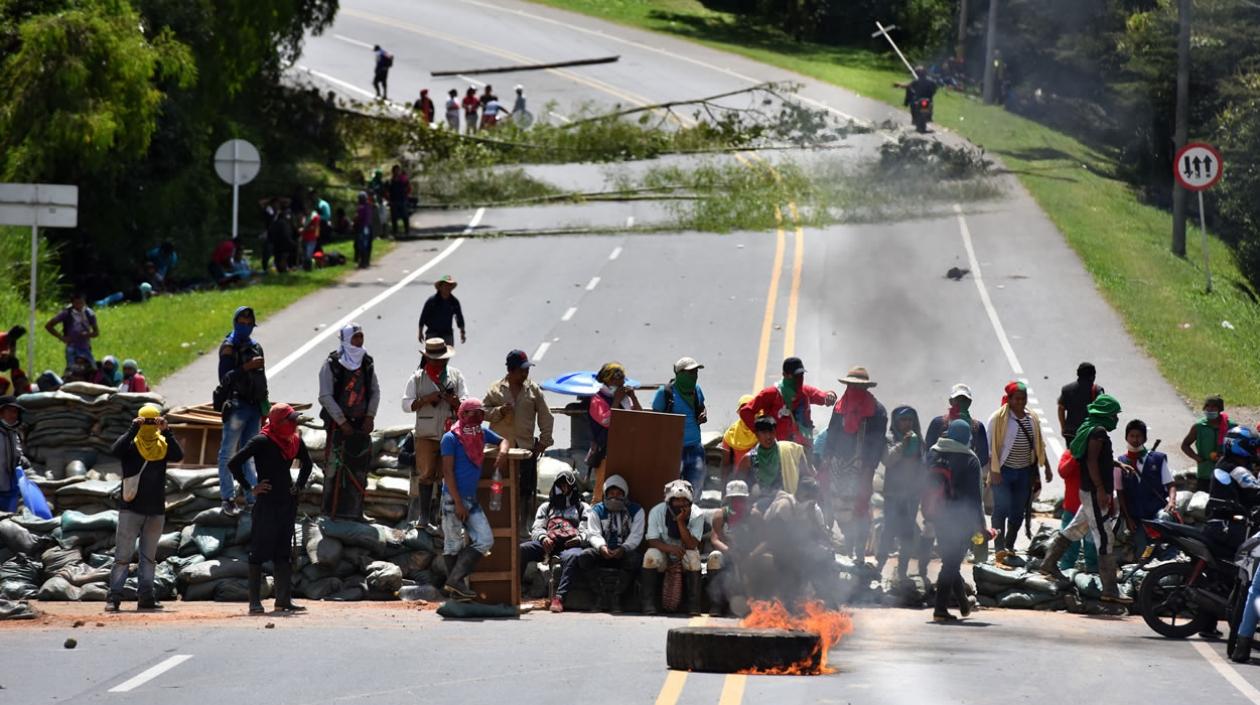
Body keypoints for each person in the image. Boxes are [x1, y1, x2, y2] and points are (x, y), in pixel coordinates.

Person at [1040, 395, 1132, 604]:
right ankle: (1110, 589)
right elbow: (1091, 461)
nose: (1116, 419)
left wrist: (1117, 464)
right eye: (1114, 415)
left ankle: (1049, 563)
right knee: (1104, 537)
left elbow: (1100, 459)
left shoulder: (1091, 428)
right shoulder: (1097, 432)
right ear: (1105, 414)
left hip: (1088, 491)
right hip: (1093, 491)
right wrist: (1101, 489)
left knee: (1076, 529)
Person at [229, 404, 313, 614]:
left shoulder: (294, 441)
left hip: (287, 501)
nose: (294, 424)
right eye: (290, 420)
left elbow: (308, 464)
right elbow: (234, 463)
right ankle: (254, 603)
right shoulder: (262, 440)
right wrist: (250, 487)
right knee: (259, 551)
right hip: (266, 503)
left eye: (295, 420)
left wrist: (299, 485)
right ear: (278, 422)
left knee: (283, 552)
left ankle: (283, 600)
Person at [106, 404, 183, 612]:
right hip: (131, 509)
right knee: (123, 556)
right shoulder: (131, 446)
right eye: (146, 421)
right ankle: (114, 596)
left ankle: (146, 596)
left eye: (153, 421)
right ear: (138, 422)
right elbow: (115, 450)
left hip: (156, 510)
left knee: (148, 557)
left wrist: (167, 431)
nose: (150, 426)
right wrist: (132, 430)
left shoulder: (162, 446)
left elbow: (178, 455)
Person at [441, 399, 510, 601]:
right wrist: (458, 503)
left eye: (480, 414)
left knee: (485, 539)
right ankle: (456, 591)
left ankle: (454, 581)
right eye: (472, 414)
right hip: (453, 500)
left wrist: (503, 451)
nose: (477, 418)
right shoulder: (450, 438)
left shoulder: (480, 434)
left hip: (470, 499)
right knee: (452, 544)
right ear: (462, 415)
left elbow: (503, 440)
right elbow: (447, 472)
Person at [923, 420, 988, 622]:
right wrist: (980, 526)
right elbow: (975, 497)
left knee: (950, 561)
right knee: (951, 563)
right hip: (960, 518)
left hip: (937, 514)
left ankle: (963, 603)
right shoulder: (970, 459)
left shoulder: (934, 452)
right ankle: (940, 610)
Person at [483, 349, 555, 531]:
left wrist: (544, 440)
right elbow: (482, 412)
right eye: (522, 370)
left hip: (525, 449)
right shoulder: (495, 390)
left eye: (527, 370)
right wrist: (499, 411)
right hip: (500, 451)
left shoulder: (533, 390)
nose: (526, 374)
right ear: (511, 370)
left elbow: (546, 416)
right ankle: (499, 523)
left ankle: (523, 526)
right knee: (498, 487)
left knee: (525, 489)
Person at [821, 366, 888, 562]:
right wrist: (826, 461)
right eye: (851, 386)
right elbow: (831, 434)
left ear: (866, 389)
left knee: (859, 508)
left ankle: (858, 552)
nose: (853, 390)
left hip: (861, 467)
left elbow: (876, 444)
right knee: (837, 507)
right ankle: (846, 546)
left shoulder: (877, 412)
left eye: (858, 387)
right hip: (838, 465)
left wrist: (869, 471)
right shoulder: (840, 407)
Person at [401, 338, 467, 532]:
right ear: (428, 359)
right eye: (436, 359)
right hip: (426, 434)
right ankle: (424, 517)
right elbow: (406, 405)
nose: (440, 363)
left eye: (442, 359)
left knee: (446, 475)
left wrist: (454, 401)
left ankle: (441, 518)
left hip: (449, 433)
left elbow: (465, 401)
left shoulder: (455, 376)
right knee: (427, 474)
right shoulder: (417, 378)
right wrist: (427, 399)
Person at [318, 324, 380, 520]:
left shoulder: (367, 361)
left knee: (359, 467)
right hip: (338, 426)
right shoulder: (332, 364)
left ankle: (355, 512)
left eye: (361, 337)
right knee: (334, 468)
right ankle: (330, 510)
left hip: (360, 424)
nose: (359, 341)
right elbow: (325, 396)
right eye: (355, 337)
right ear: (345, 339)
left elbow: (375, 391)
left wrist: (370, 416)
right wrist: (342, 421)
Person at [986, 381, 1053, 565]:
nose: (1021, 402)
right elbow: (990, 447)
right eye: (1017, 399)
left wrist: (1046, 466)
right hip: (1004, 472)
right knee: (1001, 509)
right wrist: (995, 471)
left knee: (1018, 512)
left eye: (1024, 398)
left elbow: (1039, 444)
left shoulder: (1032, 418)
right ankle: (999, 547)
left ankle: (1009, 545)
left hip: (1024, 473)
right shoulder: (998, 419)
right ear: (1009, 399)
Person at [216, 306, 267, 517]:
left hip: (255, 406)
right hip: (237, 406)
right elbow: (224, 378)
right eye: (242, 323)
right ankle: (227, 498)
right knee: (228, 453)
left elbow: (262, 379)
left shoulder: (256, 347)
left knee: (249, 454)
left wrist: (265, 406)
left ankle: (251, 497)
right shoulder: (229, 347)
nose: (245, 326)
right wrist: (245, 367)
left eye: (249, 323)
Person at [520, 469, 591, 613]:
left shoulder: (583, 508)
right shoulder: (546, 507)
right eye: (561, 485)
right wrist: (543, 538)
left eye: (567, 486)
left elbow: (588, 531)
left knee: (573, 556)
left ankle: (559, 598)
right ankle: (516, 592)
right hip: (548, 545)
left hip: (570, 545)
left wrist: (578, 540)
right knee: (522, 549)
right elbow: (536, 529)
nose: (564, 489)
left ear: (573, 487)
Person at [579, 474, 645, 613]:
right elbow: (593, 533)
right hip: (603, 551)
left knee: (636, 559)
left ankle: (617, 597)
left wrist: (624, 548)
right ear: (605, 494)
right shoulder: (597, 510)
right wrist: (602, 547)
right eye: (611, 493)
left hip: (623, 552)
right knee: (585, 557)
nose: (614, 497)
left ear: (625, 494)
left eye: (618, 494)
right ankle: (600, 594)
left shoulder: (636, 510)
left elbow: (636, 535)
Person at [739, 357, 837, 449]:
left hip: (803, 448)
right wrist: (761, 433)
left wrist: (829, 395)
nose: (799, 379)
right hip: (778, 449)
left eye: (801, 375)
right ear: (785, 375)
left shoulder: (805, 392)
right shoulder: (771, 394)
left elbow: (821, 395)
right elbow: (746, 412)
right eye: (795, 376)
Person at [642, 479, 706, 616]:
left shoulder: (697, 514)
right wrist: (670, 549)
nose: (680, 504)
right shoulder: (657, 511)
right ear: (669, 502)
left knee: (694, 557)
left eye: (684, 501)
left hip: (685, 553)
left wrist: (681, 522)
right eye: (676, 500)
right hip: (665, 552)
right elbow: (652, 540)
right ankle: (649, 603)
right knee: (651, 556)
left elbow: (692, 544)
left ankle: (693, 605)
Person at [878, 406, 925, 579]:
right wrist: (901, 446)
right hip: (893, 494)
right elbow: (887, 461)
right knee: (888, 530)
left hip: (911, 495)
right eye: (903, 420)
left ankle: (902, 571)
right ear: (896, 422)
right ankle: (879, 567)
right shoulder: (889, 439)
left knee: (907, 533)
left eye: (910, 420)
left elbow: (923, 465)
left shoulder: (918, 440)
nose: (906, 423)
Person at [1118, 419, 1175, 557]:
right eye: (1132, 436)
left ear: (1145, 438)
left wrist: (1172, 501)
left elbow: (1170, 484)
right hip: (1136, 516)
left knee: (1164, 534)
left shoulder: (1158, 459)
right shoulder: (1120, 462)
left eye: (1138, 436)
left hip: (1156, 512)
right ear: (1126, 437)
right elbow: (1120, 493)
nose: (1135, 439)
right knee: (1143, 554)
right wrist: (1128, 518)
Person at [652, 357, 708, 493]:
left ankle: (692, 513)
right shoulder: (664, 393)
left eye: (696, 373)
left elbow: (701, 407)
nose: (694, 376)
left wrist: (703, 414)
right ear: (679, 374)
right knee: (672, 492)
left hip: (695, 448)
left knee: (694, 490)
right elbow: (654, 420)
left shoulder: (697, 390)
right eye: (690, 373)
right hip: (673, 451)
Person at [735, 416, 811, 503]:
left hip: (787, 500)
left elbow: (806, 477)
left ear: (775, 432)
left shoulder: (788, 451)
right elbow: (738, 486)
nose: (768, 437)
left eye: (771, 432)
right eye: (764, 432)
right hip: (758, 505)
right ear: (757, 435)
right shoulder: (748, 459)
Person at [706, 479, 752, 615]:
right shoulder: (721, 515)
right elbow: (715, 539)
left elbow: (763, 539)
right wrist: (728, 551)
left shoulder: (753, 515)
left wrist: (751, 554)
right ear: (728, 499)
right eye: (734, 499)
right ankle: (716, 604)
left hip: (748, 555)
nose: (738, 503)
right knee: (715, 559)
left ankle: (753, 604)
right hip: (727, 553)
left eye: (741, 499)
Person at [587, 362, 642, 471]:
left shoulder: (624, 398)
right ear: (607, 381)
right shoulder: (597, 399)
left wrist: (633, 398)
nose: (620, 383)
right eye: (616, 380)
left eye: (622, 380)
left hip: (626, 447)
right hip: (605, 451)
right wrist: (616, 400)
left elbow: (640, 416)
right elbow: (606, 421)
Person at [1055, 450, 1098, 575]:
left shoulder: (1098, 454)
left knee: (1092, 547)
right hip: (1072, 509)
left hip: (1092, 508)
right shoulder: (1070, 454)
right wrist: (1075, 457)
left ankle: (1092, 575)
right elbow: (1063, 472)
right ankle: (1065, 573)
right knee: (1069, 546)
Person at [1181, 395, 1236, 491]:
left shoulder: (1231, 426)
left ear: (1220, 409)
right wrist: (1197, 458)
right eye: (1207, 406)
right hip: (1205, 473)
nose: (1210, 409)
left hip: (1225, 473)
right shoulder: (1199, 426)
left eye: (1214, 407)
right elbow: (1185, 445)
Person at [45, 293, 99, 369]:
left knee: (92, 369)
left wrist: (86, 334)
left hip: (85, 346)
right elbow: (48, 326)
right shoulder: (66, 313)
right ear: (72, 303)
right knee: (72, 370)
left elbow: (96, 333)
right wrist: (61, 337)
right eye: (77, 303)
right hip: (71, 347)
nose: (79, 306)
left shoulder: (89, 313)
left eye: (81, 303)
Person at [1057, 362, 1103, 443]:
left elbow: (1061, 409)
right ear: (1093, 376)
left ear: (1078, 374)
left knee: (1072, 455)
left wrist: (1063, 427)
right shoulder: (1097, 391)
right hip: (1090, 433)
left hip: (1071, 433)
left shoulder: (1066, 389)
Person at [0, 397, 30, 513]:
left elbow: (17, 453)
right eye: (10, 411)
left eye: (16, 412)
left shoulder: (14, 433)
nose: (14, 415)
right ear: (1, 413)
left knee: (8, 523)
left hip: (10, 488)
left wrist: (22, 459)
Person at [719, 395, 758, 485]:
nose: (746, 413)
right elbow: (725, 464)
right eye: (743, 410)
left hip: (757, 479)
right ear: (739, 412)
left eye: (749, 409)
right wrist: (724, 489)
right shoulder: (731, 434)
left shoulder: (761, 432)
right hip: (737, 480)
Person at [418, 275, 466, 346]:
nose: (448, 288)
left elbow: (459, 317)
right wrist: (420, 332)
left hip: (447, 333)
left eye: (450, 285)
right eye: (445, 285)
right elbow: (423, 316)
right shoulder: (432, 301)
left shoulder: (454, 302)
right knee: (432, 354)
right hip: (432, 333)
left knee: (447, 354)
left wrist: (462, 332)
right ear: (440, 287)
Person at [0, 326, 30, 396]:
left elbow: (12, 355)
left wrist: (7, 356)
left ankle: (17, 386)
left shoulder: (13, 340)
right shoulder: (1, 338)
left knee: (15, 362)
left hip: (2, 360)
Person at [388, 164, 411, 236]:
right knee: (394, 217)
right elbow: (388, 190)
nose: (396, 172)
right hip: (394, 200)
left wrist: (406, 195)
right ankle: (395, 231)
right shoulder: (391, 181)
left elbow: (409, 188)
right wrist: (389, 199)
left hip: (402, 199)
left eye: (398, 170)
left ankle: (407, 230)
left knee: (404, 215)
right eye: (395, 171)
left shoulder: (403, 179)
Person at [352, 191, 373, 269]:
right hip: (368, 227)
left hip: (362, 227)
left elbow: (358, 218)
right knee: (366, 244)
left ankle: (363, 262)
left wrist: (354, 221)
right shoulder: (368, 206)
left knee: (362, 245)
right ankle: (366, 261)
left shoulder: (361, 207)